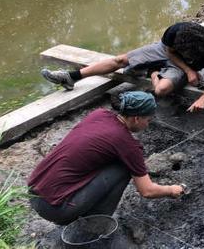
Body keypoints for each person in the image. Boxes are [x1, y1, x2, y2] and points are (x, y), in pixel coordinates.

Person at [27, 92, 184, 225]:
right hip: (55, 210)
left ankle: (84, 211)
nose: (147, 125)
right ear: (136, 118)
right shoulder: (127, 144)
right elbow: (147, 191)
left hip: (33, 192)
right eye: (148, 120)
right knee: (123, 168)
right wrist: (172, 190)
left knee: (109, 158)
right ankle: (98, 223)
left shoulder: (99, 114)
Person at [41, 21, 204, 113]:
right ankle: (72, 77)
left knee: (162, 89)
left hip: (178, 66)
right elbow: (169, 52)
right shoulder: (175, 31)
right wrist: (188, 69)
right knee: (120, 61)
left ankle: (152, 71)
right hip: (168, 56)